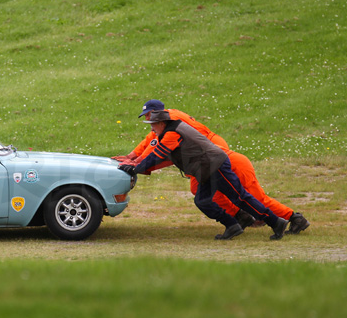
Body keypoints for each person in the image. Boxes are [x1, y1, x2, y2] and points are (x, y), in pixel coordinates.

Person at [113, 99, 309, 235]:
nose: (148, 123)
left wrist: (138, 164)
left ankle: (292, 218)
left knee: (252, 197)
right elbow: (152, 142)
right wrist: (134, 157)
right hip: (210, 161)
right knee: (201, 192)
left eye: (149, 117)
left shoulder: (172, 127)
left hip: (219, 161)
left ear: (158, 115)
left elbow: (161, 153)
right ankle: (240, 218)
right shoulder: (165, 123)